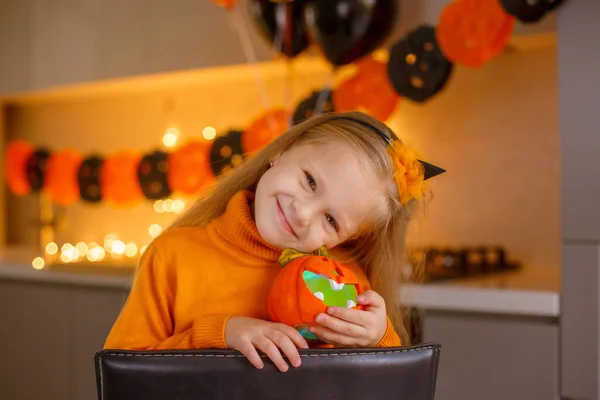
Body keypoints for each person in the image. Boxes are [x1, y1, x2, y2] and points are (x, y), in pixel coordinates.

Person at [103, 111, 444, 373]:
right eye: (309, 181)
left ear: (350, 237)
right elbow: (125, 373)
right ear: (282, 151)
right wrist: (220, 334)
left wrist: (376, 340)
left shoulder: (344, 282)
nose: (302, 213)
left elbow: (376, 387)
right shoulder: (173, 255)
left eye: (331, 220)